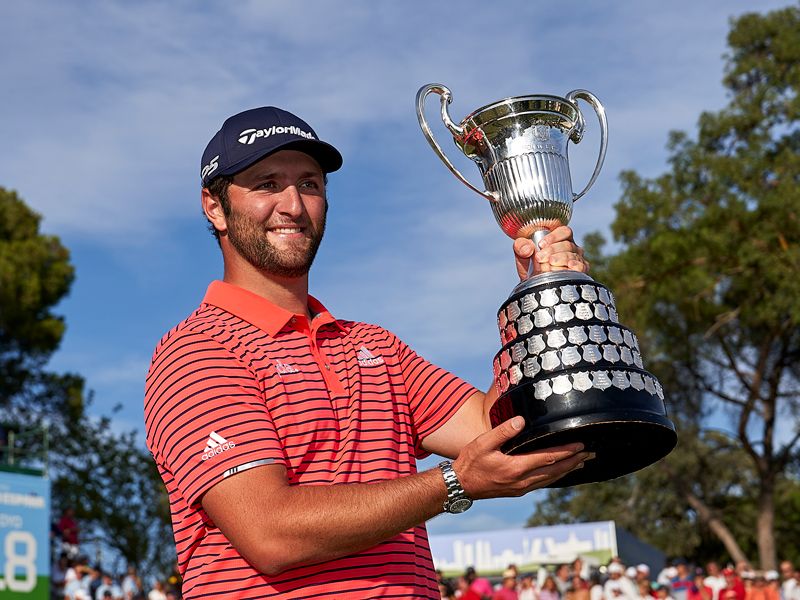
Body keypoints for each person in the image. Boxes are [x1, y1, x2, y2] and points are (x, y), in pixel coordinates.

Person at [144, 106, 593, 599]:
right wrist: (453, 484)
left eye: (310, 184)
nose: (293, 204)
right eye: (267, 184)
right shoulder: (197, 350)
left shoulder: (375, 346)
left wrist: (543, 306)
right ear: (214, 206)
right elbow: (271, 533)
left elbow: (501, 430)